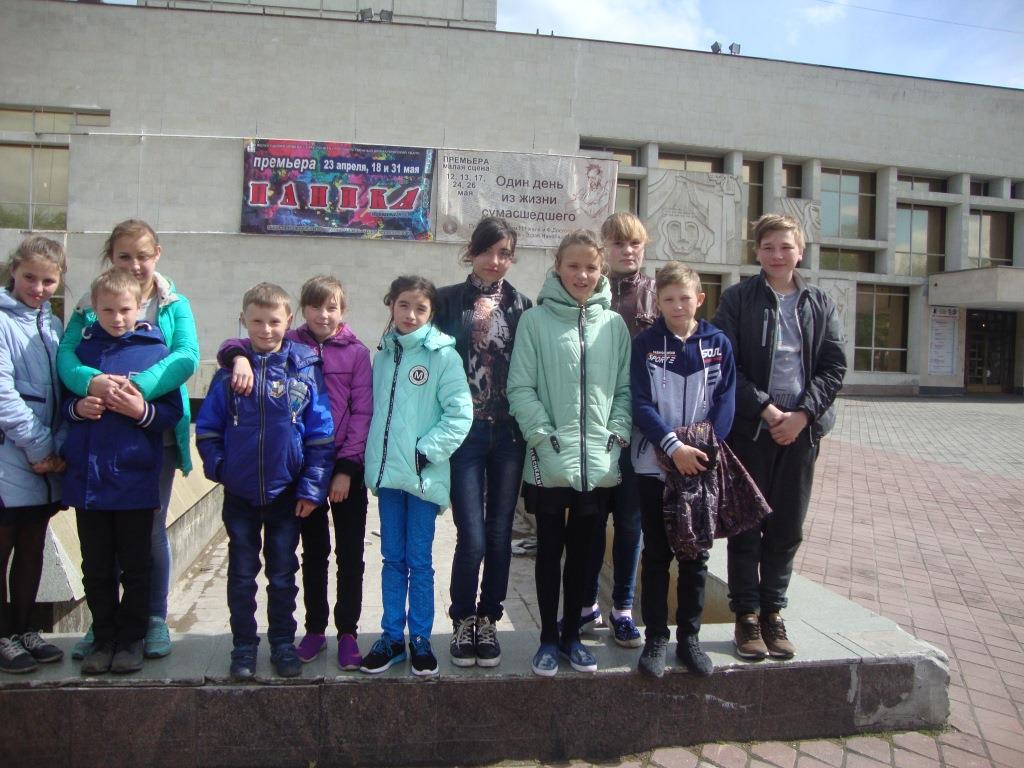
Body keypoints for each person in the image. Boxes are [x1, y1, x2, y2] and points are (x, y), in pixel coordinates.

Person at [59, 220, 199, 661]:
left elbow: (185, 357)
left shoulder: (173, 304)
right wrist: (92, 382)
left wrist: (135, 389)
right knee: (103, 541)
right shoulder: (90, 303)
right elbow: (67, 357)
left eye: (143, 256)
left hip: (150, 432)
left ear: (157, 255)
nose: (135, 265)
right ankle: (106, 623)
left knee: (147, 531)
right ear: (110, 257)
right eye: (124, 256)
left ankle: (149, 618)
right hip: (99, 438)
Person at [218, 275, 372, 671]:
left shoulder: (357, 353)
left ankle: (348, 632)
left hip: (344, 468)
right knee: (313, 554)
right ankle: (315, 628)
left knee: (349, 553)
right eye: (316, 306)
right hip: (305, 472)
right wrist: (236, 357)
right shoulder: (291, 344)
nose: (324, 314)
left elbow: (362, 413)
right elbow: (242, 344)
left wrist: (346, 468)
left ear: (343, 311)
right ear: (301, 311)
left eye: (332, 307)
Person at [712, 213, 846, 660]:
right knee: (747, 524)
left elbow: (834, 366)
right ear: (757, 252)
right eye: (768, 247)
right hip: (753, 428)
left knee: (787, 526)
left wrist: (803, 415)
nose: (777, 255)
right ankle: (746, 616)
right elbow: (725, 364)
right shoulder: (737, 299)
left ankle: (773, 612)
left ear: (800, 251)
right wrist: (767, 410)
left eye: (786, 247)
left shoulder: (819, 303)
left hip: (801, 431)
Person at [508, 230, 631, 676]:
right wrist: (543, 438)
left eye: (591, 267)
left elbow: (624, 390)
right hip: (549, 459)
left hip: (598, 462)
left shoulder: (614, 325)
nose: (582, 275)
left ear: (602, 271)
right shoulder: (535, 321)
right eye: (573, 265)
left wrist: (615, 436)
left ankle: (573, 638)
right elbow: (520, 387)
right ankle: (546, 638)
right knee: (549, 551)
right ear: (557, 267)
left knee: (585, 554)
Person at [195, 283, 334, 680]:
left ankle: (283, 643)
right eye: (257, 321)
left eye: (274, 321)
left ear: (288, 321)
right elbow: (208, 429)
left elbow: (320, 435)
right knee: (241, 575)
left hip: (285, 493)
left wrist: (311, 488)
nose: (266, 329)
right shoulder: (229, 374)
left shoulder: (303, 370)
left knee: (282, 574)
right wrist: (221, 468)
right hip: (239, 494)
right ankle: (243, 646)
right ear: (244, 320)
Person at [361, 276, 471, 677]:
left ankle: (421, 638)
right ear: (391, 305)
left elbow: (460, 414)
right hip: (389, 478)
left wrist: (425, 452)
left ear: (431, 313)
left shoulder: (444, 356)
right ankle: (392, 637)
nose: (410, 314)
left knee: (419, 561)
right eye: (403, 305)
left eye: (420, 308)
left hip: (423, 478)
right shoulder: (383, 354)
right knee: (392, 559)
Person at [434, 217, 532, 668]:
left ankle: (489, 619)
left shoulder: (523, 306)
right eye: (488, 251)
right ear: (471, 251)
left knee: (499, 534)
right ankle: (462, 619)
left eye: (504, 253)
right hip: (465, 433)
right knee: (471, 535)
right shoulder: (445, 301)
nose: (495, 261)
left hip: (509, 433)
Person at [630, 262, 735, 677]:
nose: (677, 305)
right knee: (656, 554)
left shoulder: (718, 343)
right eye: (668, 299)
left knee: (696, 555)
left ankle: (690, 638)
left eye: (684, 298)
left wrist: (701, 448)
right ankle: (656, 638)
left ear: (700, 299)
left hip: (699, 467)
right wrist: (673, 447)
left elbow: (726, 400)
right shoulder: (646, 344)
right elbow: (640, 403)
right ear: (657, 302)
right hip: (654, 466)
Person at [578, 212, 656, 648]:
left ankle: (623, 608)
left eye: (635, 243)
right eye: (618, 243)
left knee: (630, 523)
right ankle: (586, 603)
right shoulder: (590, 293)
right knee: (590, 520)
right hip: (594, 426)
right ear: (604, 249)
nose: (627, 251)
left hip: (639, 431)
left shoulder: (655, 294)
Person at [0, 236, 67, 674]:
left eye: (48, 281)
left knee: (31, 548)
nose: (38, 288)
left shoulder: (52, 325)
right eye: (30, 278)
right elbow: (4, 396)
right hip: (11, 457)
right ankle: (2, 635)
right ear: (13, 271)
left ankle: (24, 629)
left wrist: (56, 450)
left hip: (42, 467)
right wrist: (42, 447)